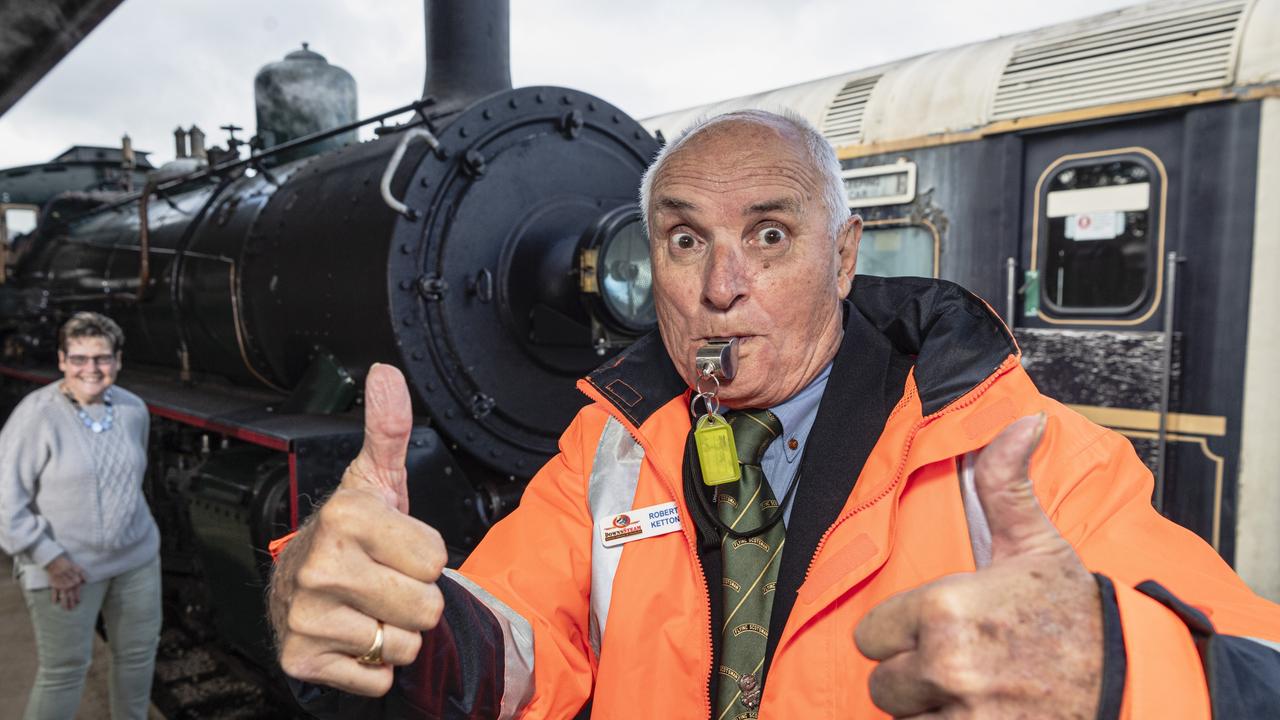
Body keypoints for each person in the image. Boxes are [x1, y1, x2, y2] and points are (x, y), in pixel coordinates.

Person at [267, 110, 1280, 718]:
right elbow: (522, 642)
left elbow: (1255, 672)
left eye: (769, 234)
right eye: (681, 241)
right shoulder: (610, 443)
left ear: (842, 257)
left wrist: (1118, 679)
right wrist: (395, 624)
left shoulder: (1020, 455)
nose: (721, 289)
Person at [0, 312, 161, 720]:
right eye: (78, 358)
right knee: (64, 673)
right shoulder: (36, 415)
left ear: (118, 361)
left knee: (138, 661)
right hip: (66, 570)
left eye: (102, 358)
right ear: (61, 361)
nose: (91, 369)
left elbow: (129, 481)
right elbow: (5, 500)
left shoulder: (133, 410)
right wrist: (49, 557)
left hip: (137, 561)